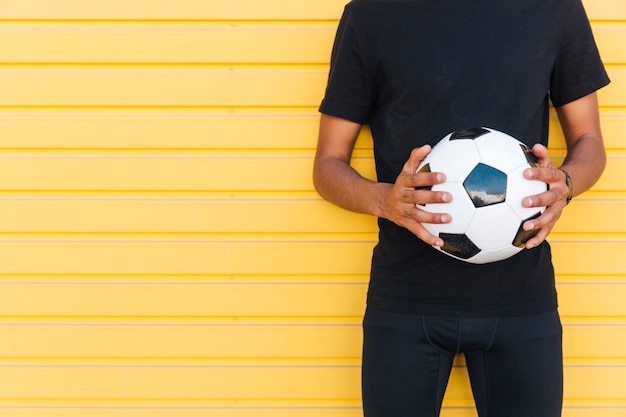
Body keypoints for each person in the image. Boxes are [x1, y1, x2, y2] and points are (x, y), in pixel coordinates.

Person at [313, 0, 610, 416]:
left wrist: (566, 184)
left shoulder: (554, 9)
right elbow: (327, 164)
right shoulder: (370, 14)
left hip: (521, 299)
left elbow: (591, 144)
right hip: (405, 300)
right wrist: (384, 199)